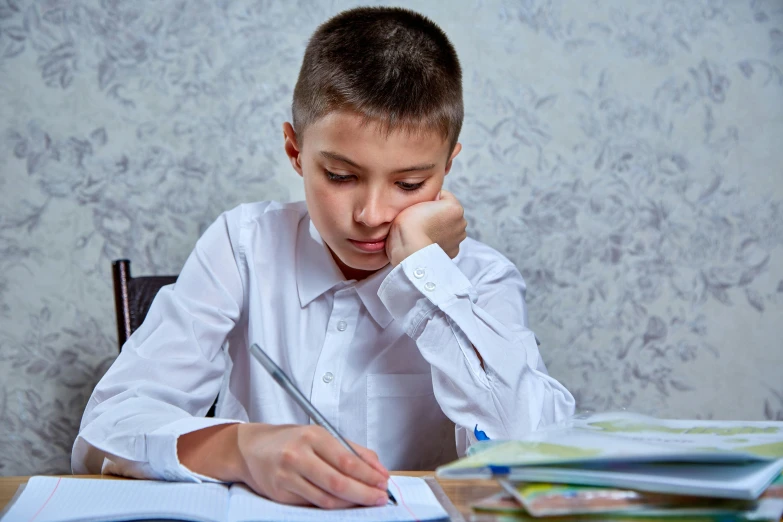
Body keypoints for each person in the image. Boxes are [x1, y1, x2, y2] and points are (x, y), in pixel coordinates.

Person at [72, 6, 575, 510]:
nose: (372, 214)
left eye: (409, 184)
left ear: (447, 166)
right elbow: (102, 434)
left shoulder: (482, 280)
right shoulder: (242, 245)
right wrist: (239, 447)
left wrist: (427, 277)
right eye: (339, 175)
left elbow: (537, 455)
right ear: (295, 151)